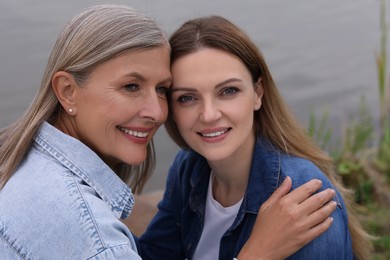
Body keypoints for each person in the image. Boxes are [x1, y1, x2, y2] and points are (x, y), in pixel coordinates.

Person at [0, 5, 336, 259]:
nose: (156, 112)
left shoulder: (303, 204)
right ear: (68, 91)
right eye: (131, 86)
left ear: (258, 92)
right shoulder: (97, 237)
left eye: (161, 89)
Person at [137, 15, 373, 259]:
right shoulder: (189, 168)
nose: (208, 115)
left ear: (258, 93)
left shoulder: (301, 201)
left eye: (228, 91)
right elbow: (153, 255)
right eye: (187, 97)